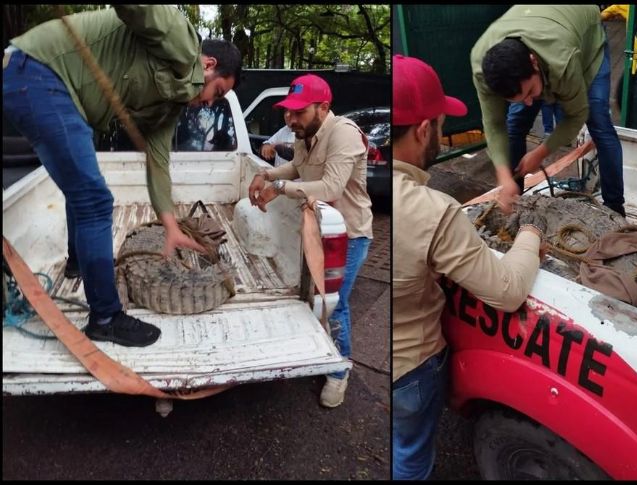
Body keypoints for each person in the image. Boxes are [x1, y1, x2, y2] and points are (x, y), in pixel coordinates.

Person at [3, 6, 242, 347]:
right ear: (208, 65)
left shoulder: (167, 106)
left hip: (57, 91)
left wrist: (170, 224)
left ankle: (77, 262)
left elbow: (157, 163)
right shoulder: (181, 39)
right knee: (96, 200)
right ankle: (105, 317)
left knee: (83, 190)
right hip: (39, 70)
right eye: (217, 92)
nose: (209, 104)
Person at [392, 54, 545, 480]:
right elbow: (508, 288)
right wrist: (531, 231)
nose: (441, 133)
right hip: (412, 369)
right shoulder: (433, 210)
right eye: (440, 125)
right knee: (410, 455)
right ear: (424, 129)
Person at [247, 74, 373, 408]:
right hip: (315, 228)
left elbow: (331, 187)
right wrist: (266, 174)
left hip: (348, 235)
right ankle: (317, 351)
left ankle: (339, 371)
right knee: (311, 297)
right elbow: (297, 168)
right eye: (288, 112)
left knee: (335, 304)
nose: (290, 119)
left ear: (323, 107)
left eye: (299, 112)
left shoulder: (343, 133)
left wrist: (278, 189)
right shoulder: (306, 135)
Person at [472, 5, 626, 217]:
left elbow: (576, 116)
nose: (528, 103)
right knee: (515, 122)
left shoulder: (563, 60)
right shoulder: (482, 67)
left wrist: (540, 152)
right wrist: (503, 175)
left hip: (584, 29)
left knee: (598, 122)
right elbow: (494, 124)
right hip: (540, 22)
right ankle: (515, 202)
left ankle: (615, 209)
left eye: (530, 92)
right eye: (517, 97)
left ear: (533, 63)